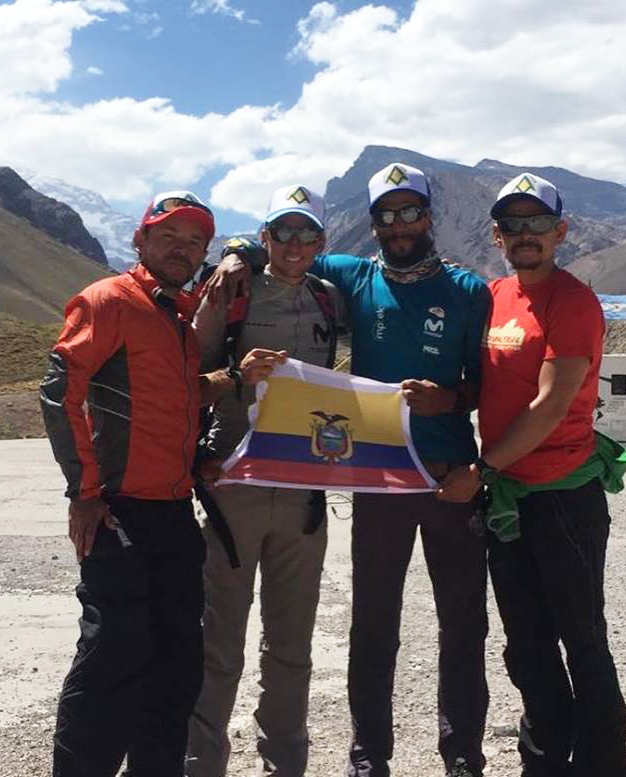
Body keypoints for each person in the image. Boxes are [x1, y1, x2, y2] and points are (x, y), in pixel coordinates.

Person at [212, 163, 491, 777]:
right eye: (385, 216)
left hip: (451, 478)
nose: (398, 225)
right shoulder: (352, 277)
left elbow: (487, 387)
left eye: (409, 211)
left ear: (428, 214)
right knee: (373, 624)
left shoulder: (470, 290)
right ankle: (369, 759)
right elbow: (280, 252)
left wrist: (451, 404)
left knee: (464, 622)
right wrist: (235, 250)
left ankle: (464, 756)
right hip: (380, 479)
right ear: (372, 225)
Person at [40, 191, 284, 777]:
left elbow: (176, 397)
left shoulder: (174, 314)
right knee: (111, 660)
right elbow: (58, 392)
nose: (181, 249)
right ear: (140, 241)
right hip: (119, 512)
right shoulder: (109, 302)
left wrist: (232, 376)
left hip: (174, 515)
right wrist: (85, 493)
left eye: (193, 241)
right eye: (168, 236)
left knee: (176, 665)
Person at [438, 173, 626, 777]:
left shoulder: (572, 301)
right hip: (510, 499)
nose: (525, 235)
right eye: (513, 226)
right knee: (526, 643)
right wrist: (442, 400)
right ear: (497, 235)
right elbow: (491, 385)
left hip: (562, 496)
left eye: (537, 224)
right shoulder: (495, 295)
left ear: (560, 232)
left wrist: (481, 468)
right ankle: (545, 758)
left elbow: (551, 405)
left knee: (583, 640)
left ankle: (604, 765)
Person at [185, 185, 345, 777]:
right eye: (283, 232)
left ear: (322, 242)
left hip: (304, 488)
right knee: (218, 640)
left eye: (307, 233)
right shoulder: (230, 289)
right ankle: (200, 764)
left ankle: (286, 765)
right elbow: (189, 374)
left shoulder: (331, 298)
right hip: (234, 483)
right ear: (265, 237)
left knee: (292, 644)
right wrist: (234, 373)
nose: (295, 244)